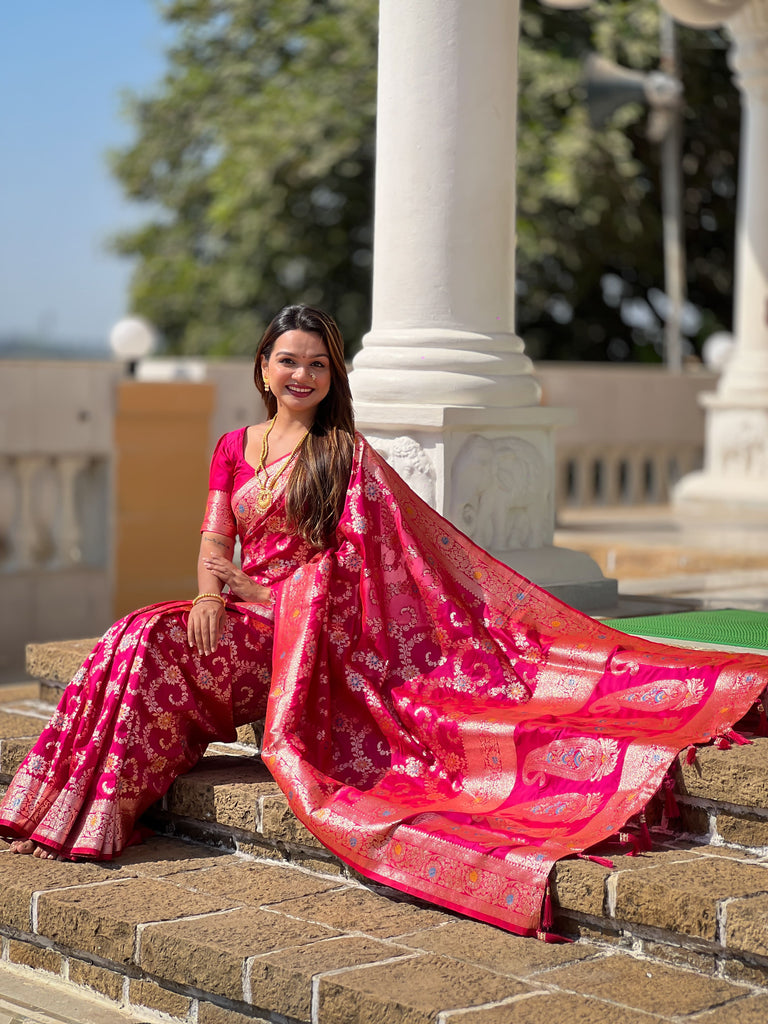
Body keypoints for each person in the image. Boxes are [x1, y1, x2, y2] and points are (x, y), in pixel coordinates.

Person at [2, 305, 768, 939]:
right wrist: (210, 595)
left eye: (316, 364)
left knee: (151, 643)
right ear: (262, 367)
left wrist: (271, 600)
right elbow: (214, 539)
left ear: (332, 377)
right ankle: (70, 809)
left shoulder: (343, 455)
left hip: (298, 642)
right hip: (230, 614)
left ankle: (96, 812)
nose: (300, 375)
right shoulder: (234, 448)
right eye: (287, 360)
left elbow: (362, 576)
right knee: (134, 634)